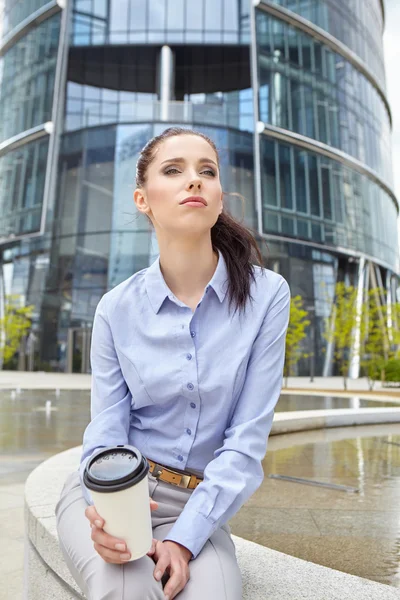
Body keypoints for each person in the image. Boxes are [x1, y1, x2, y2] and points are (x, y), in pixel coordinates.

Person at [55, 126, 290, 600]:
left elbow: (245, 442)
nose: (195, 180)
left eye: (208, 171)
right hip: (123, 489)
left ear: (220, 199)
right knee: (126, 592)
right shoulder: (115, 308)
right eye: (173, 170)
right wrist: (113, 512)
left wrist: (185, 538)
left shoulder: (268, 296)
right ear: (143, 200)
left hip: (202, 500)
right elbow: (106, 431)